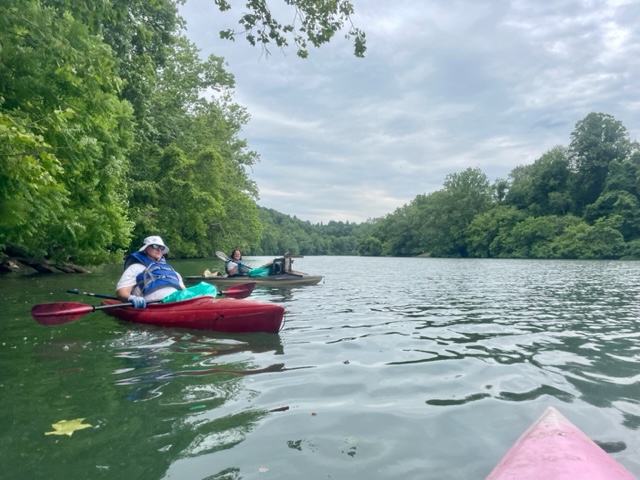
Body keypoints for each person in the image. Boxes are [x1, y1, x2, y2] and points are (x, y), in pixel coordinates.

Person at [116, 235, 186, 308]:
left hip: (177, 303)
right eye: (155, 246)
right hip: (152, 306)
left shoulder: (171, 269)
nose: (159, 250)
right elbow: (121, 291)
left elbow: (184, 292)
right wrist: (132, 298)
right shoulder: (135, 268)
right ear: (145, 248)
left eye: (162, 247)